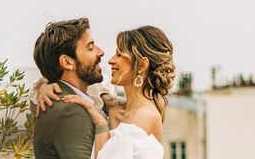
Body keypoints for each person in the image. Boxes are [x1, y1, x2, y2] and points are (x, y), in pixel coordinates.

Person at [61, 25, 175, 159]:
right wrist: (46, 85)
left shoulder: (146, 117)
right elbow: (79, 82)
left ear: (142, 65)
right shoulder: (115, 109)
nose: (111, 60)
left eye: (119, 54)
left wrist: (101, 124)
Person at [32, 18, 105, 159]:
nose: (101, 52)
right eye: (90, 48)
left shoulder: (64, 101)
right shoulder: (71, 110)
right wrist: (102, 125)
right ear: (67, 62)